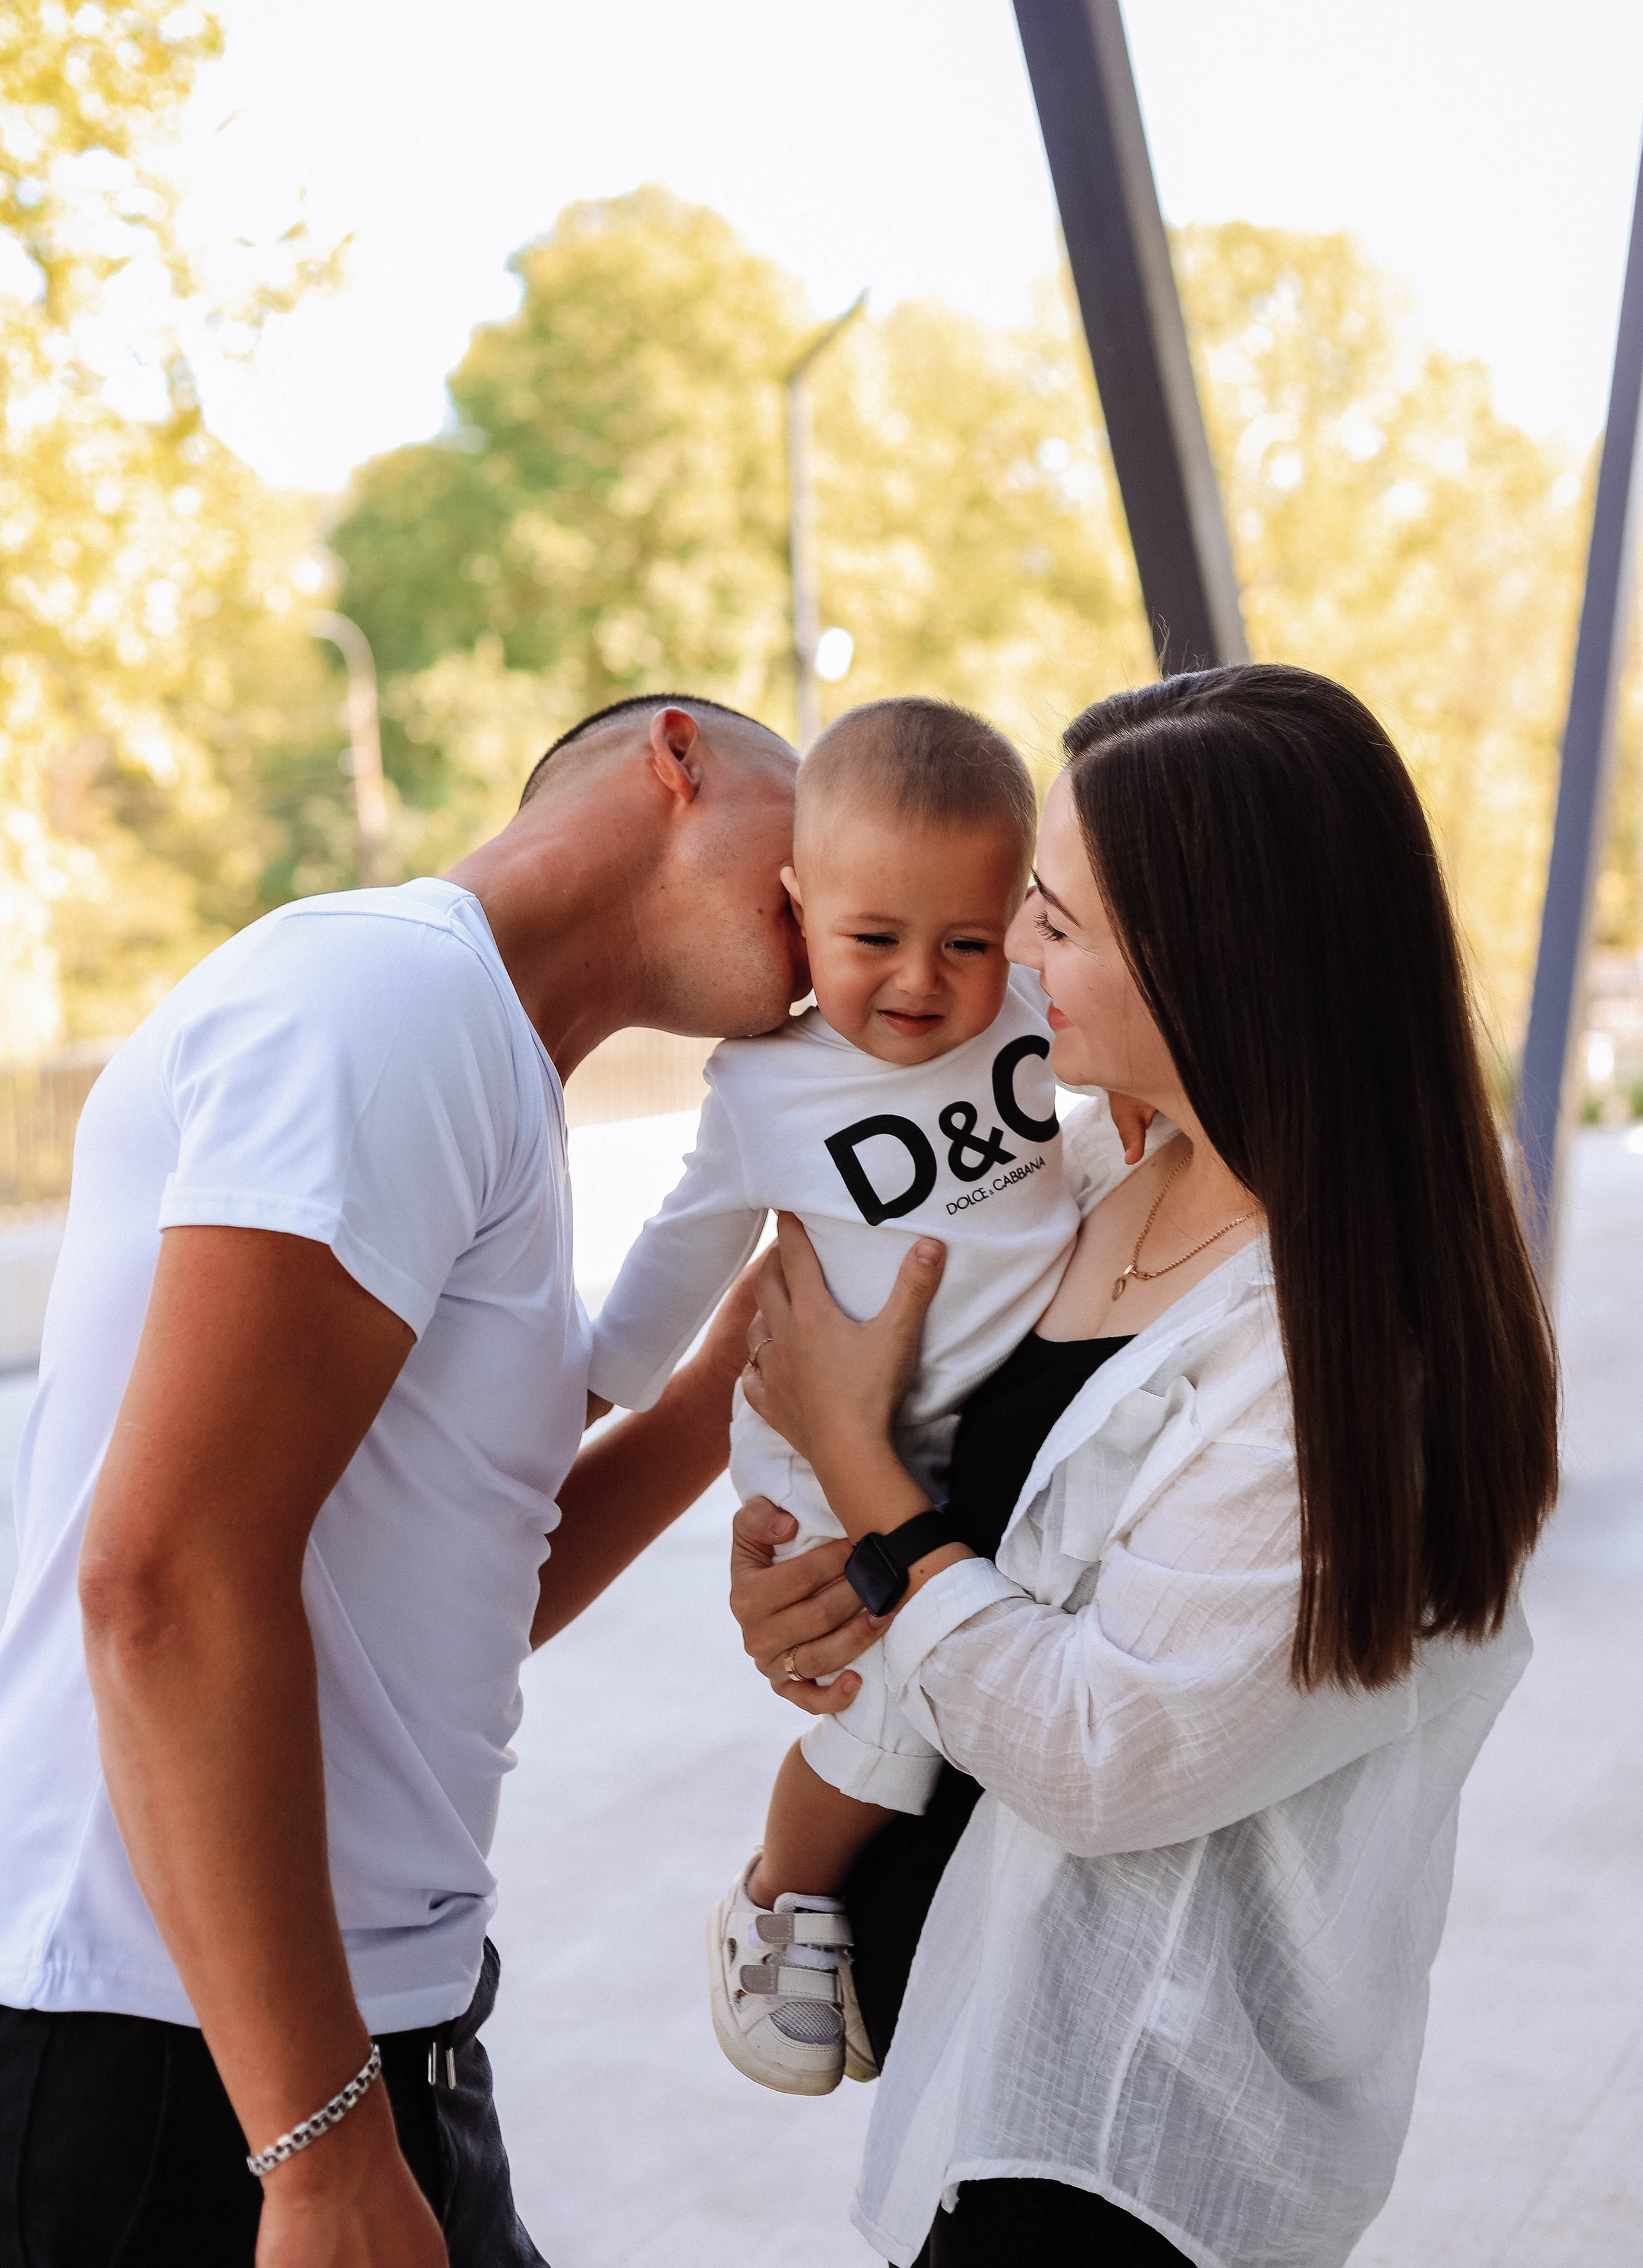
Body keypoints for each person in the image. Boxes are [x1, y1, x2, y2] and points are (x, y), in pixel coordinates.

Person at [731, 664, 1558, 2268]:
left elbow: (1104, 1755)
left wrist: (862, 1476)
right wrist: (814, 1573)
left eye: (1051, 917)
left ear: (1209, 961)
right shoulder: (1093, 1174)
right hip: (981, 2065)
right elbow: (958, 1527)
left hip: (1118, 2145)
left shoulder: (1342, 1359)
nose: (1009, 952)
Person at [0, 697, 804, 2268]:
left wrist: (734, 1384)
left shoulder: (480, 1062)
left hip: (353, 2046)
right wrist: (315, 2153)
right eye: (817, 821)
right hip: (189, 2071)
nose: (845, 897)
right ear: (677, 757)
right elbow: (165, 1580)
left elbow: (450, 1596)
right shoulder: (391, 997)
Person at [587, 697, 1153, 2097]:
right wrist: (587, 1387)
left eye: (965, 940)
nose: (919, 980)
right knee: (889, 1712)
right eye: (872, 939)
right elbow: (682, 1248)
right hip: (820, 1450)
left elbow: (1096, 1124)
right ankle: (779, 1898)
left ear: (1016, 922)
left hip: (980, 1433)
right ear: (800, 904)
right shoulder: (766, 1087)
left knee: (980, 1674)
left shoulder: (1031, 1016)